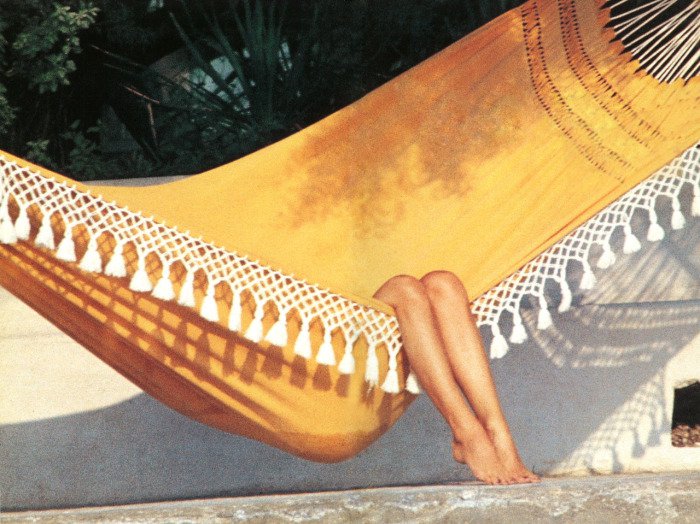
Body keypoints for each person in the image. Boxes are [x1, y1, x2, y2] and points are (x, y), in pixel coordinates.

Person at [373, 271, 540, 485]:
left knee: (443, 285)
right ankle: (467, 433)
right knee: (405, 290)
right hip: (343, 310)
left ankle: (497, 432)